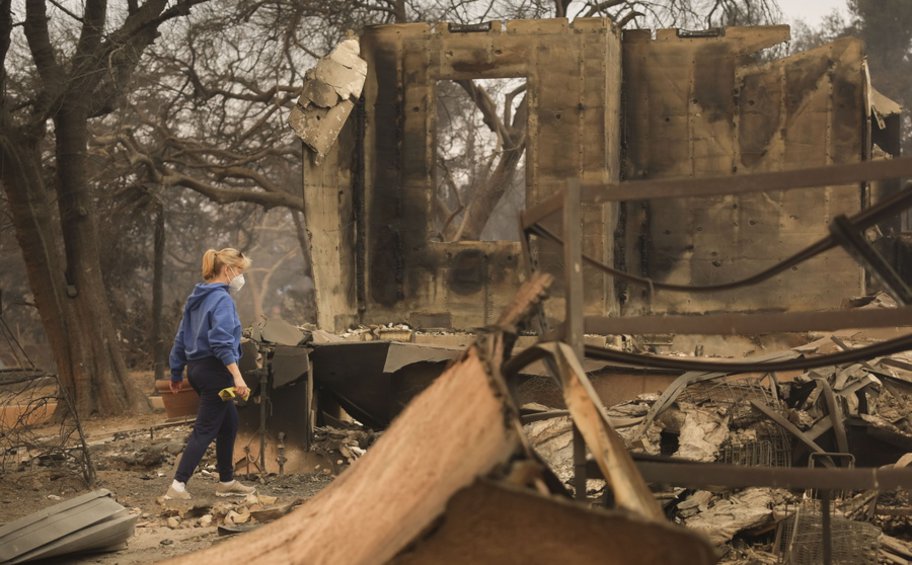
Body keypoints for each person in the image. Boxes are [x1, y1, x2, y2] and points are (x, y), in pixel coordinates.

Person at [164, 248, 257, 500]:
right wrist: (237, 376)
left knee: (229, 423)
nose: (240, 276)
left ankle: (226, 481)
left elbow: (181, 337)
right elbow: (221, 342)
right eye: (239, 271)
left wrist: (175, 371)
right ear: (227, 270)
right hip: (216, 371)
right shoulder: (222, 300)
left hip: (196, 369)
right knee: (205, 429)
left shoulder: (196, 298)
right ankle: (177, 486)